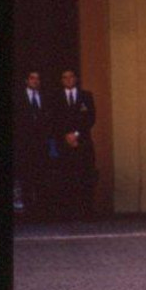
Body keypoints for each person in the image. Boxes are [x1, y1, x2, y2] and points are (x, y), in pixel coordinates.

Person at [49, 69, 98, 220]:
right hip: (64, 143)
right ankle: (68, 213)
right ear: (61, 80)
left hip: (82, 142)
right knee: (66, 177)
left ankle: (87, 212)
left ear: (76, 79)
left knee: (85, 176)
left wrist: (76, 134)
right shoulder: (55, 98)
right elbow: (53, 119)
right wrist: (66, 135)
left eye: (71, 77)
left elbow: (91, 118)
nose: (68, 79)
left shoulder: (86, 96)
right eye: (65, 77)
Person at [13, 70, 53, 220]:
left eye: (38, 78)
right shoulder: (18, 98)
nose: (35, 81)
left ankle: (40, 211)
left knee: (41, 176)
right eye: (32, 78)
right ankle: (27, 210)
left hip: (41, 145)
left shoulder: (45, 97)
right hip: (24, 145)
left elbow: (49, 120)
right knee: (26, 177)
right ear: (26, 80)